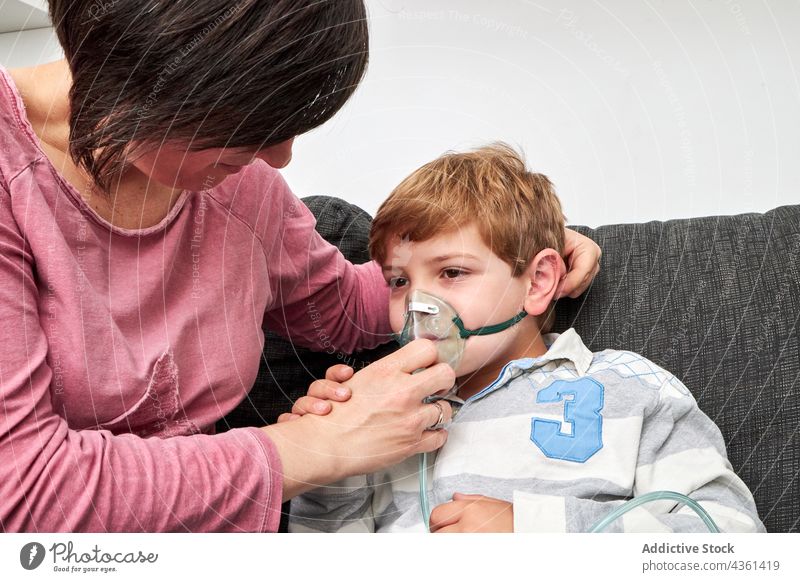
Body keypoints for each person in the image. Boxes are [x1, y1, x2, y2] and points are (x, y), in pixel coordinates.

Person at [0, 1, 602, 532]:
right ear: (149, 82)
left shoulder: (246, 192)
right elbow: (22, 493)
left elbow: (349, 307)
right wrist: (316, 446)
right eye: (253, 124)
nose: (281, 159)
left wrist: (502, 254)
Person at [288, 143, 764, 533]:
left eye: (452, 272)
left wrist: (532, 532)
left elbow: (732, 542)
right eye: (398, 281)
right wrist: (330, 459)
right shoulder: (384, 414)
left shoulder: (628, 389)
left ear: (537, 282)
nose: (418, 306)